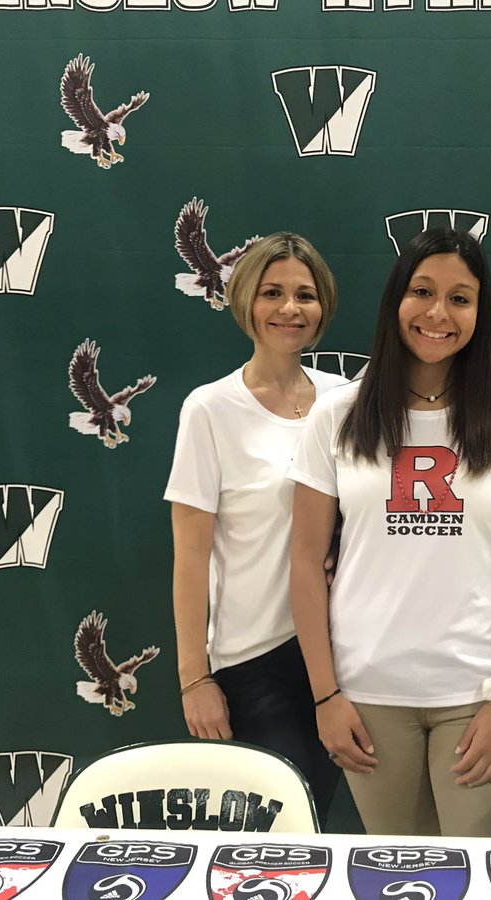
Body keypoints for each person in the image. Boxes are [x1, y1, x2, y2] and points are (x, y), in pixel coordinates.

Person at [288, 228, 491, 837]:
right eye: (422, 291)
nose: (439, 313)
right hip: (366, 697)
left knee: (476, 875)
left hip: (478, 694)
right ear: (395, 302)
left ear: (479, 313)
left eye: (460, 298)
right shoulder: (338, 415)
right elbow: (305, 563)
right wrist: (326, 697)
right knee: (397, 876)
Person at [164, 232, 343, 825]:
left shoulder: (349, 401)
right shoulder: (210, 410)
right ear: (245, 302)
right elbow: (189, 555)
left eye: (304, 294)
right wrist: (195, 678)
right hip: (254, 659)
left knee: (329, 825)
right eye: (272, 293)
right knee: (281, 832)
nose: (290, 309)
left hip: (345, 652)